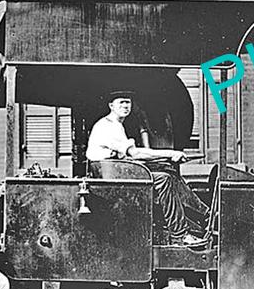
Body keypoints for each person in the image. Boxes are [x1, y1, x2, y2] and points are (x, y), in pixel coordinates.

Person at [86, 90, 209, 245]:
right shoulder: (109, 126)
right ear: (111, 105)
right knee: (163, 179)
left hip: (116, 171)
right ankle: (180, 234)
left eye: (128, 102)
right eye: (121, 102)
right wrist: (170, 153)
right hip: (110, 177)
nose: (125, 106)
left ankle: (204, 213)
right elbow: (135, 153)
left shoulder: (115, 124)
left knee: (167, 169)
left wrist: (167, 159)